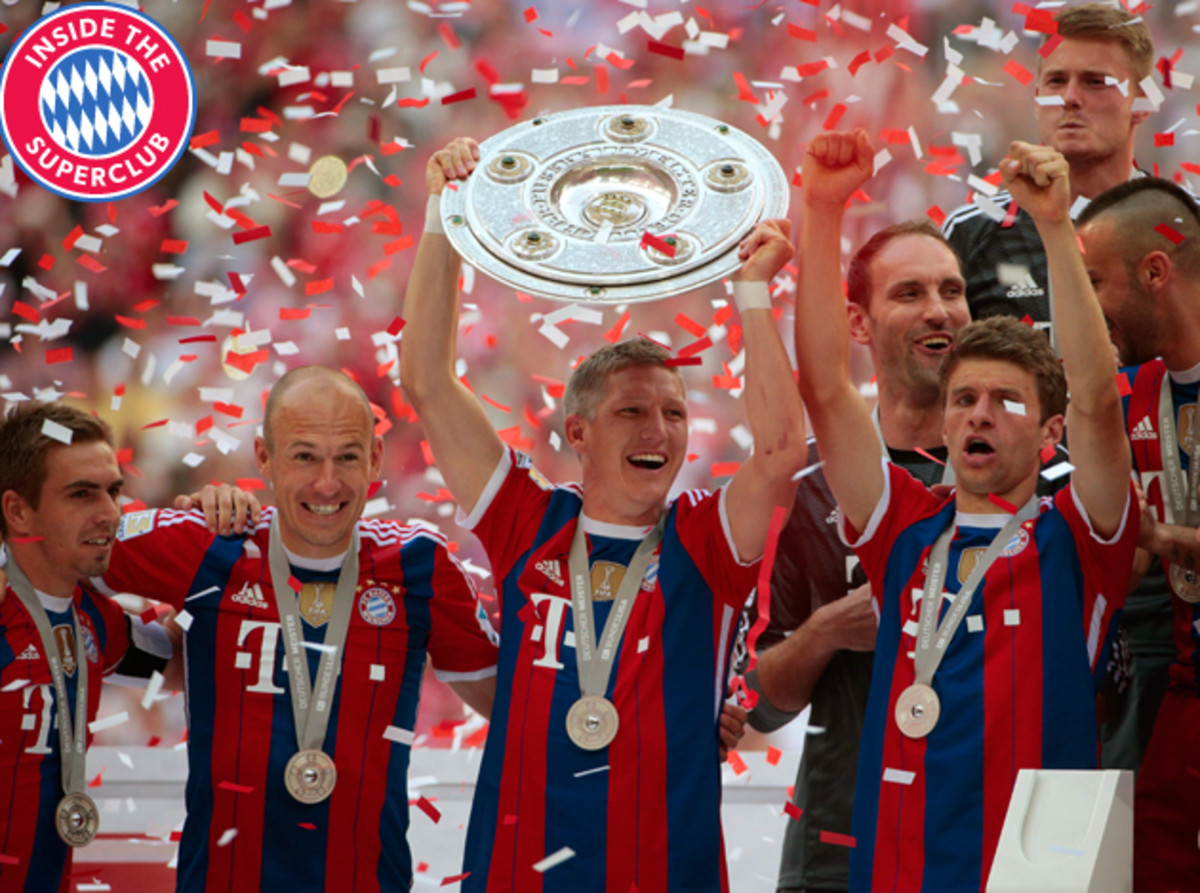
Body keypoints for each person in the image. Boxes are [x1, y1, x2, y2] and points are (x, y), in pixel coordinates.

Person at [400, 136, 807, 893]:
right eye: (632, 411)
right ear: (578, 431)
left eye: (675, 412)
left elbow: (782, 452)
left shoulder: (704, 538)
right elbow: (425, 377)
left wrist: (754, 294)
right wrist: (442, 213)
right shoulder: (528, 519)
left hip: (665, 872)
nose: (659, 431)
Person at [795, 129, 1138, 891]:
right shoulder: (903, 529)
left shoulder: (1079, 536)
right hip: (898, 860)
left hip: (1037, 864)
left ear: (1050, 429)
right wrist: (819, 209)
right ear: (945, 423)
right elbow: (824, 389)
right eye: (964, 400)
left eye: (1006, 400)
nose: (980, 415)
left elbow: (1098, 404)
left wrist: (1053, 226)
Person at [743, 217, 1071, 892]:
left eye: (953, 290)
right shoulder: (808, 489)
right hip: (843, 842)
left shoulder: (1054, 485)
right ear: (858, 325)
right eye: (910, 292)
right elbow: (756, 705)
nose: (939, 309)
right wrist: (829, 629)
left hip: (1013, 842)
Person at [92, 365, 500, 892]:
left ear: (375, 459)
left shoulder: (419, 564)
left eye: (347, 456)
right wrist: (162, 655)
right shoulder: (212, 542)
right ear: (264, 458)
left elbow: (513, 704)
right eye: (305, 455)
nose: (327, 483)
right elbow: (47, 554)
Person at [1074, 177, 1200, 890]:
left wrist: (1164, 535)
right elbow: (1124, 569)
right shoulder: (1133, 393)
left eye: (1094, 281)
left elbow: (1156, 536)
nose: (1086, 309)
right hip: (1182, 700)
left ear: (1156, 271)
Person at [0, 401, 174, 893]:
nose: (110, 513)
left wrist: (214, 541)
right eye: (81, 494)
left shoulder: (96, 619)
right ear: (18, 510)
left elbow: (186, 658)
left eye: (114, 491)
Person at [942, 2, 1152, 335]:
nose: (1070, 97)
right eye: (1056, 81)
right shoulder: (972, 232)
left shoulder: (1187, 226)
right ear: (1038, 98)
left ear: (1143, 102)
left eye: (1095, 82)